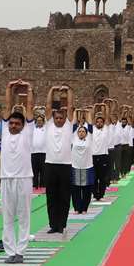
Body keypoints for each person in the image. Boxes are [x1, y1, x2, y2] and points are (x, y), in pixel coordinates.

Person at [0, 79, 35, 264]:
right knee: (7, 217)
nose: (13, 126)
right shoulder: (5, 132)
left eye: (17, 123)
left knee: (23, 216)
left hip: (23, 178)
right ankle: (10, 251)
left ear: (23, 125)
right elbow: (7, 106)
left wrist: (28, 89)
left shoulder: (27, 133)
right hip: (6, 179)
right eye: (11, 123)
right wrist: (9, 88)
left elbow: (29, 108)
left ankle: (20, 251)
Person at [44, 86, 74, 234]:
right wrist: (52, 90)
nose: (59, 120)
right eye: (57, 118)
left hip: (65, 165)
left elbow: (70, 106)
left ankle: (61, 224)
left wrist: (68, 91)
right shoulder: (48, 124)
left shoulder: (69, 125)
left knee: (63, 197)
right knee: (51, 197)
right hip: (50, 165)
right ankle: (52, 224)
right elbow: (48, 106)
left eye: (61, 118)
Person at [71, 110, 94, 214]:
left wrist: (88, 113)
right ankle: (76, 208)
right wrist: (75, 112)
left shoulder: (89, 138)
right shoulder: (73, 138)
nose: (81, 133)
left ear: (86, 133)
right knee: (75, 189)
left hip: (87, 167)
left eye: (83, 131)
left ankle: (84, 208)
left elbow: (90, 125)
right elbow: (74, 124)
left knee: (86, 190)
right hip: (75, 167)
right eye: (79, 131)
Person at [91, 104, 111, 201]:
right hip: (93, 156)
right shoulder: (92, 130)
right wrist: (94, 108)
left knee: (102, 177)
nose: (99, 123)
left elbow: (107, 117)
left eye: (101, 122)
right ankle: (95, 194)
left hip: (103, 156)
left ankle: (101, 194)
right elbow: (91, 118)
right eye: (97, 122)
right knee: (94, 177)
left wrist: (105, 107)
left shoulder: (105, 130)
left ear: (103, 123)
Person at [31, 115, 48, 190]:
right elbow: (29, 121)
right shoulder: (33, 129)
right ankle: (34, 187)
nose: (39, 122)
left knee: (43, 171)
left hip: (44, 153)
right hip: (33, 153)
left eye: (40, 120)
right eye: (38, 120)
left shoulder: (46, 128)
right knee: (34, 171)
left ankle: (43, 187)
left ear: (43, 122)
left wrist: (44, 111)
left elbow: (48, 121)